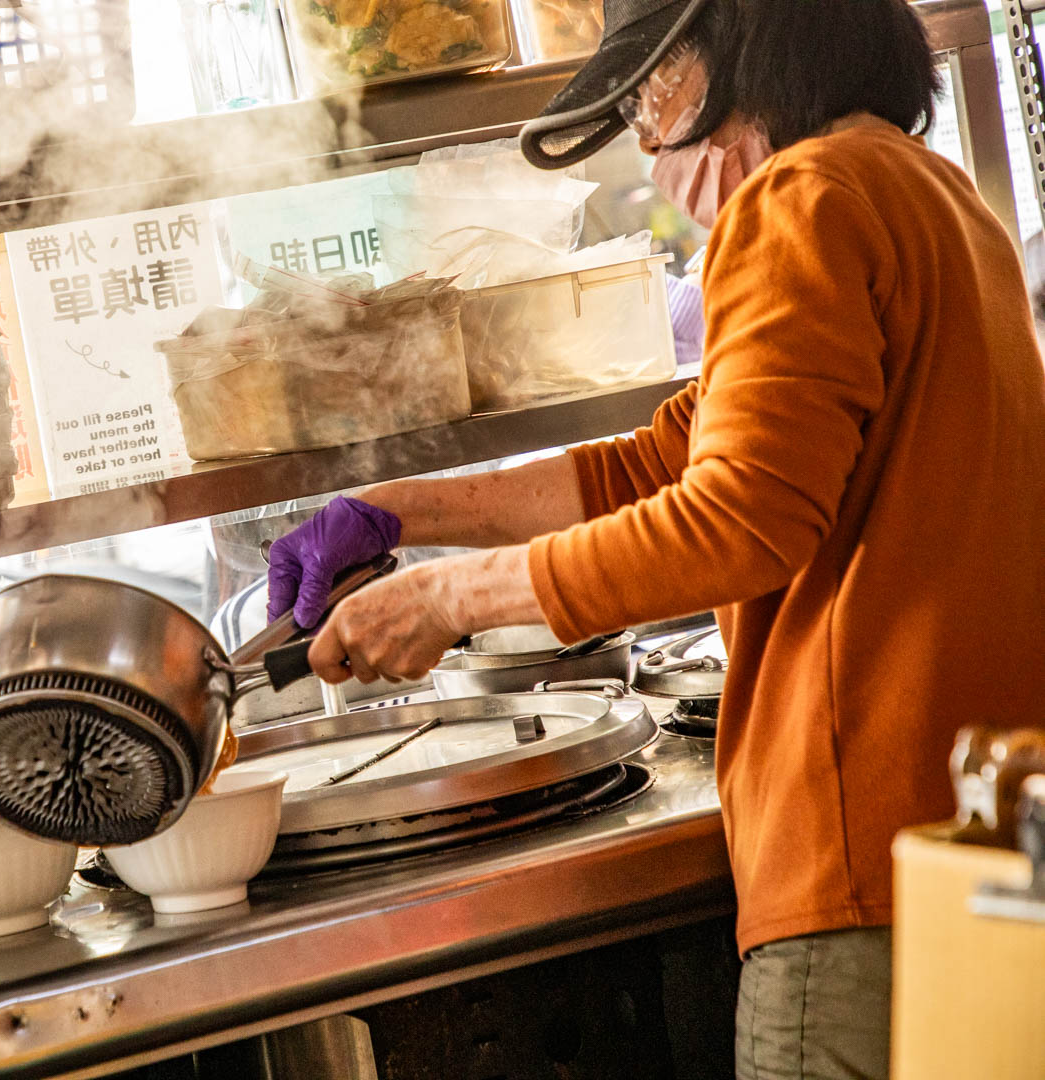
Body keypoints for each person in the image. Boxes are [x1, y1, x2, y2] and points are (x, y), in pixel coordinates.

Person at [264, 2, 1045, 1077]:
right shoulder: (927, 188)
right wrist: (403, 511)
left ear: (742, 45)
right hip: (971, 835)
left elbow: (734, 523)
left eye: (650, 92)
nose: (642, 134)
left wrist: (447, 602)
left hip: (861, 852)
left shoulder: (797, 199)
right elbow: (662, 463)